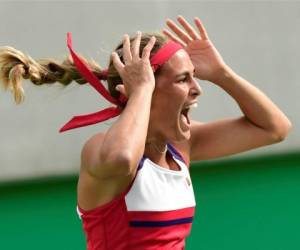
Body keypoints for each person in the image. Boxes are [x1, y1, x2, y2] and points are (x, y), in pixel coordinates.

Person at [0, 16, 292, 250]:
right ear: (146, 88)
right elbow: (122, 158)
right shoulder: (100, 150)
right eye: (183, 79)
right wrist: (140, 90)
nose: (197, 88)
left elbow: (274, 128)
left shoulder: (181, 148)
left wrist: (222, 73)